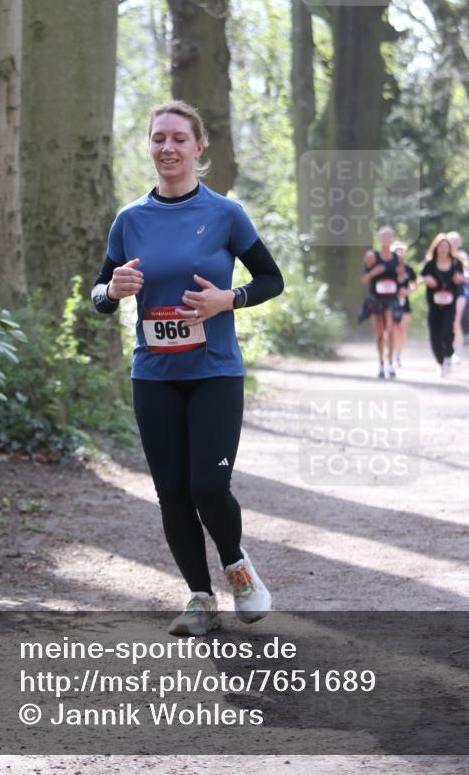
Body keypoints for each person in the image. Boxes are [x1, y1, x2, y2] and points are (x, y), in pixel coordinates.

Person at [91, 101, 284, 637]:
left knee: (207, 484)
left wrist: (231, 299)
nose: (168, 147)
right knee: (171, 490)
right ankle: (200, 597)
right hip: (154, 376)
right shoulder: (130, 220)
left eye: (179, 138)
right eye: (159, 138)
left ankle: (237, 566)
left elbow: (271, 278)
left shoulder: (225, 214)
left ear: (199, 147)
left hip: (215, 372)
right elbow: (99, 294)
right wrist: (111, 291)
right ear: (149, 145)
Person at [420, 233, 464, 377]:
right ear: (436, 247)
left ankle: (448, 356)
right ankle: (439, 362)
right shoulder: (430, 263)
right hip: (434, 304)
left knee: (447, 331)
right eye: (441, 246)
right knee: (434, 334)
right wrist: (427, 279)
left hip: (450, 304)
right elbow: (420, 277)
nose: (444, 248)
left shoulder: (456, 263)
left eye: (446, 246)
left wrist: (459, 279)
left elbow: (460, 278)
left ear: (450, 248)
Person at [360, 227, 402, 380]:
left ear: (392, 239)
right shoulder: (372, 257)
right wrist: (373, 272)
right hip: (376, 299)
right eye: (383, 237)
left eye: (388, 237)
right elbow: (363, 279)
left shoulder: (397, 258)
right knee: (379, 334)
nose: (386, 240)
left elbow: (403, 278)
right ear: (379, 239)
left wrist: (401, 273)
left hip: (391, 299)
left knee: (390, 331)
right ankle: (380, 364)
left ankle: (391, 363)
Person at [391, 241, 416, 368]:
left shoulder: (409, 269)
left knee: (401, 330)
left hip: (404, 303)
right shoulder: (388, 268)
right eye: (396, 250)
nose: (399, 252)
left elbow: (415, 283)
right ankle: (390, 352)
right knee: (392, 330)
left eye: (401, 250)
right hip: (390, 302)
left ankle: (397, 354)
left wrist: (408, 291)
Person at [446, 231, 468, 361]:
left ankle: (457, 350)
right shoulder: (442, 255)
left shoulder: (462, 256)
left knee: (456, 320)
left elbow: (468, 274)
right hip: (444, 292)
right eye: (451, 240)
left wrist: (461, 277)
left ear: (459, 242)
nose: (454, 242)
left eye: (456, 240)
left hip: (459, 291)